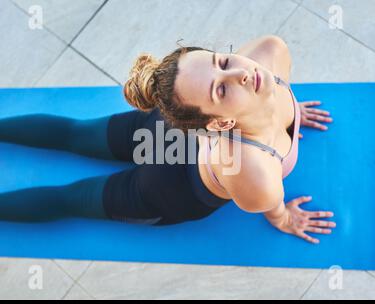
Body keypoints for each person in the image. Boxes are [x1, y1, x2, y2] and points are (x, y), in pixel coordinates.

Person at [0, 35, 335, 244]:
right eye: (221, 88)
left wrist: (285, 108)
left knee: (75, 133)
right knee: (70, 199)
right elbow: (272, 209)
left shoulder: (269, 53)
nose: (242, 74)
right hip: (167, 187)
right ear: (220, 122)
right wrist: (285, 218)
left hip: (162, 126)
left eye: (222, 61)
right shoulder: (253, 170)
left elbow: (259, 85)